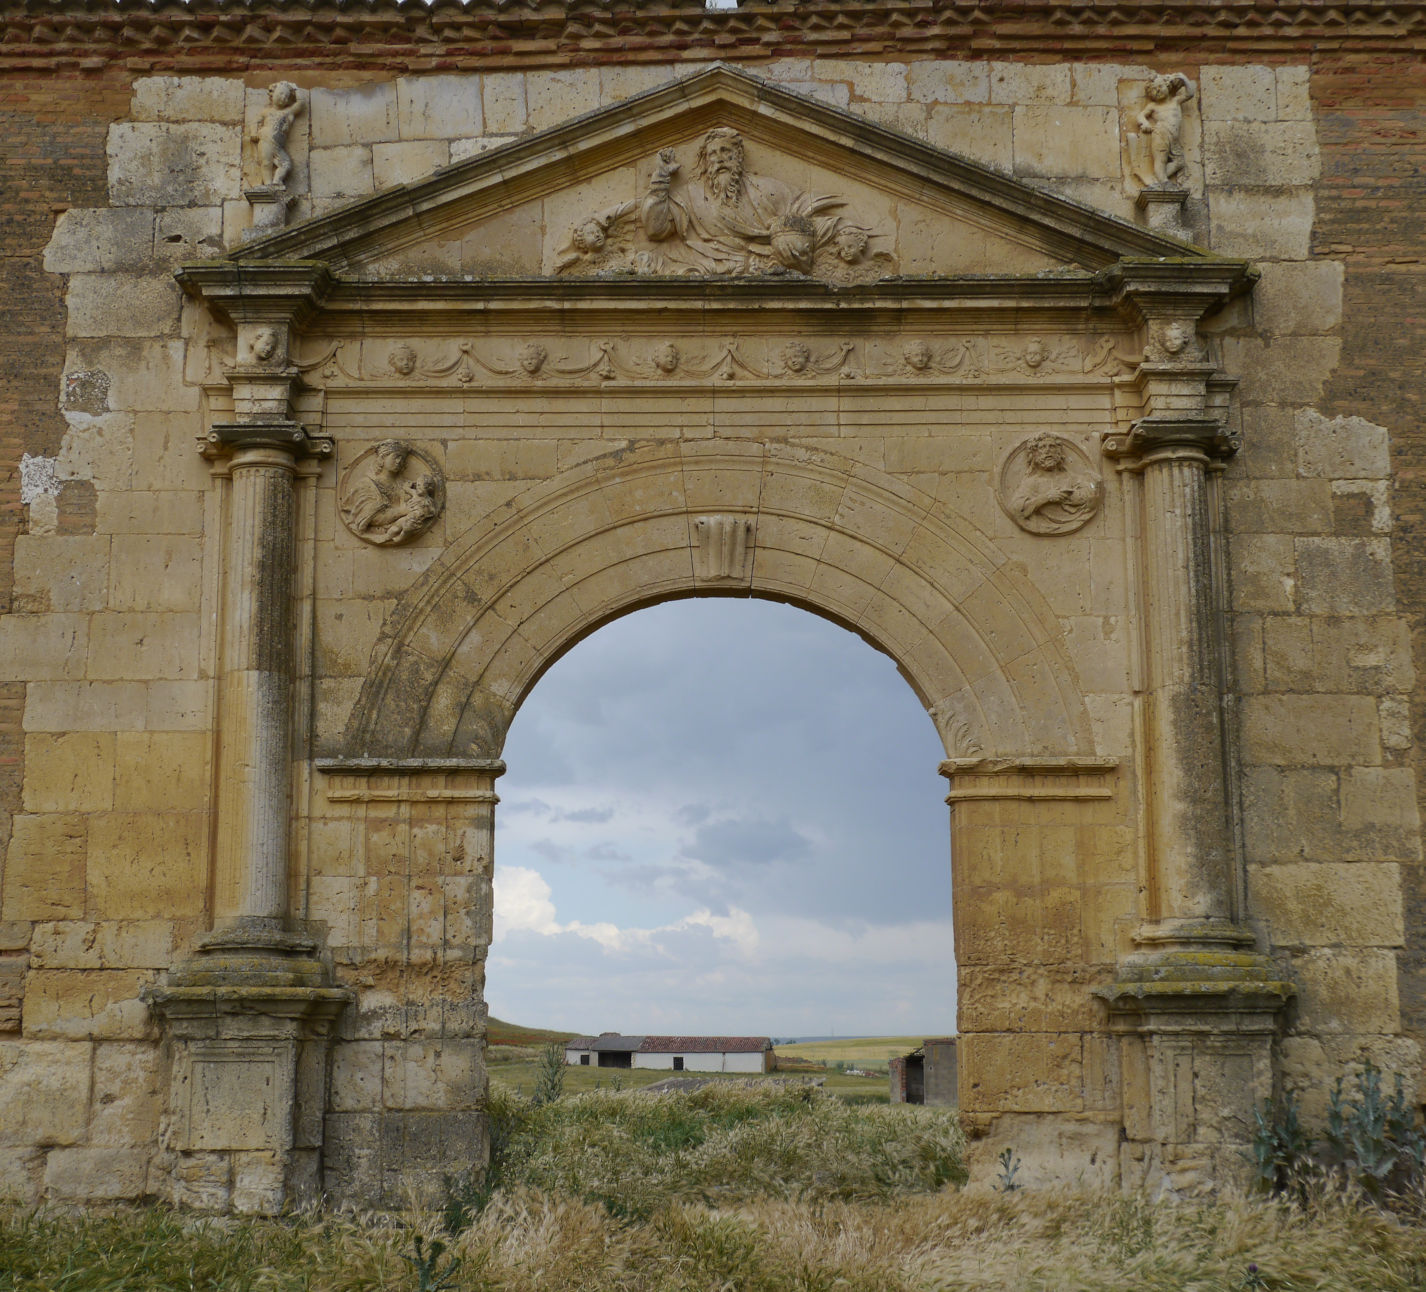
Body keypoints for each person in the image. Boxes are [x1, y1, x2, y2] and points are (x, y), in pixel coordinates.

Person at [253, 82, 304, 188]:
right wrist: (253, 132)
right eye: (281, 93)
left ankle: (276, 181)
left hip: (278, 145)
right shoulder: (266, 112)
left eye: (286, 96)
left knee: (286, 164)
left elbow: (301, 103)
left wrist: (295, 89)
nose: (283, 97)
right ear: (272, 94)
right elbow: (255, 122)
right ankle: (268, 184)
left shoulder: (288, 112)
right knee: (266, 162)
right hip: (266, 140)